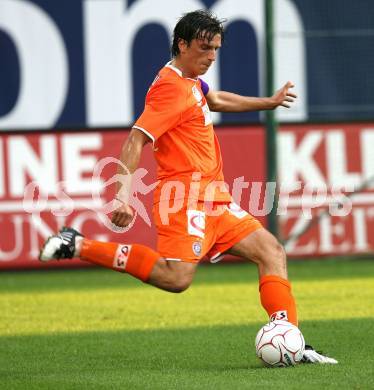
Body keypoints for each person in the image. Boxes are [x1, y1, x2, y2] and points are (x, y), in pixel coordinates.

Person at [40, 10, 336, 364]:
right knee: (176, 278)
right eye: (204, 48)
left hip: (215, 198)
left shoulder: (191, 81)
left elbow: (215, 100)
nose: (211, 57)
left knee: (271, 251)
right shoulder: (169, 88)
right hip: (183, 199)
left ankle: (291, 340)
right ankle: (78, 245)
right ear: (182, 44)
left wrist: (268, 103)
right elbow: (137, 139)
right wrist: (122, 193)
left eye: (216, 49)